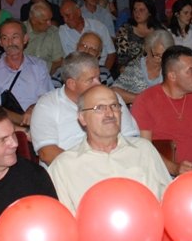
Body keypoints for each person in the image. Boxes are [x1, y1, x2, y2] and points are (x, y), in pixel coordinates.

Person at [48, 84, 171, 214]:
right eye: (100, 108)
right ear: (82, 118)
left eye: (114, 106)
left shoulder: (144, 150)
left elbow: (168, 198)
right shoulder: (64, 166)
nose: (110, 113)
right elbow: (62, 219)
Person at [30, 52, 138, 166]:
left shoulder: (111, 98)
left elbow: (131, 139)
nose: (98, 84)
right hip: (70, 170)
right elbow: (47, 153)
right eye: (90, 80)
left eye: (98, 78)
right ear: (71, 84)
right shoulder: (47, 105)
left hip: (114, 166)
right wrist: (87, 169)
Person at [132, 45, 192, 175]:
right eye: (191, 71)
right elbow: (144, 148)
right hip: (160, 173)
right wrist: (175, 169)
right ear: (172, 76)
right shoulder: (145, 101)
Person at [0, 19, 53, 127]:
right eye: (5, 38)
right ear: (0, 42)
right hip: (8, 126)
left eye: (15, 37)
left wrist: (32, 108)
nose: (10, 43)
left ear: (25, 39)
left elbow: (48, 98)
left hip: (41, 122)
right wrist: (24, 121)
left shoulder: (39, 66)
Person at [113, 29, 174, 103]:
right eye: (156, 55)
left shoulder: (171, 69)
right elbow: (114, 91)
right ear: (147, 49)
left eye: (164, 56)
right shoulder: (135, 67)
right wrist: (143, 99)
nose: (160, 59)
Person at [59, 0, 116, 70]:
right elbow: (68, 59)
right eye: (63, 17)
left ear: (78, 12)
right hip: (78, 70)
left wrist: (104, 73)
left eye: (68, 16)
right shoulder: (63, 31)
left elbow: (111, 54)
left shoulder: (99, 27)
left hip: (100, 68)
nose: (65, 20)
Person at [115, 0, 161, 69]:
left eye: (141, 10)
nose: (137, 13)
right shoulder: (125, 30)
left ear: (150, 12)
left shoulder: (158, 30)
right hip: (130, 69)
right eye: (135, 10)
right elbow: (122, 59)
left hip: (156, 68)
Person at [24, 1, 64, 74]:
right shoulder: (20, 31)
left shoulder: (53, 32)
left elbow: (58, 62)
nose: (49, 23)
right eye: (45, 20)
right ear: (34, 20)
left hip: (48, 76)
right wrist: (49, 66)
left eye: (50, 19)